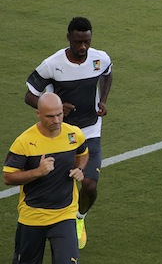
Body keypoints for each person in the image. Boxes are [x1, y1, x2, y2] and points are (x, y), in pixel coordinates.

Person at [24, 17, 112, 250]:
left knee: (90, 186)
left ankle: (79, 219)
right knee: (54, 184)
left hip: (90, 131)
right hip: (59, 134)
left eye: (86, 42)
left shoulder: (99, 58)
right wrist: (54, 107)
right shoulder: (52, 64)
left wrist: (102, 100)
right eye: (77, 42)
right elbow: (30, 94)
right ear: (68, 38)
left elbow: (107, 74)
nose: (82, 47)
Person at [4, 93, 88, 264]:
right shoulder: (24, 142)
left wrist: (79, 170)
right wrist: (37, 172)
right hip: (32, 215)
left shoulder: (73, 134)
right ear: (38, 114)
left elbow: (83, 152)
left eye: (60, 114)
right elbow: (8, 176)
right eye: (50, 116)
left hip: (64, 212)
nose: (57, 120)